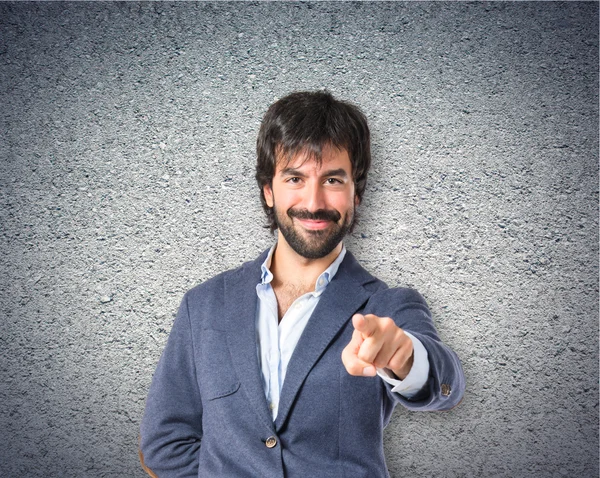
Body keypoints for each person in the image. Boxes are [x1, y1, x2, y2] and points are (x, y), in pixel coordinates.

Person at [139, 90, 465, 478]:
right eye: (295, 178)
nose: (314, 201)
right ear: (268, 190)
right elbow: (165, 444)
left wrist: (405, 356)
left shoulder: (388, 306)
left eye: (332, 179)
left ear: (355, 194)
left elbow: (447, 386)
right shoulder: (204, 305)